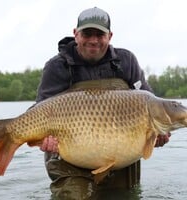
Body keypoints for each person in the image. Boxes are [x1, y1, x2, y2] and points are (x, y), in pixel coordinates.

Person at [35, 7, 171, 199]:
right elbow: (40, 112)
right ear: (75, 34)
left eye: (99, 34)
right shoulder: (57, 66)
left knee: (123, 196)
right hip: (69, 154)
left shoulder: (126, 61)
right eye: (87, 34)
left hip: (121, 155)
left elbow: (151, 105)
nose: (93, 40)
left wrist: (158, 135)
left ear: (110, 35)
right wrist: (44, 140)